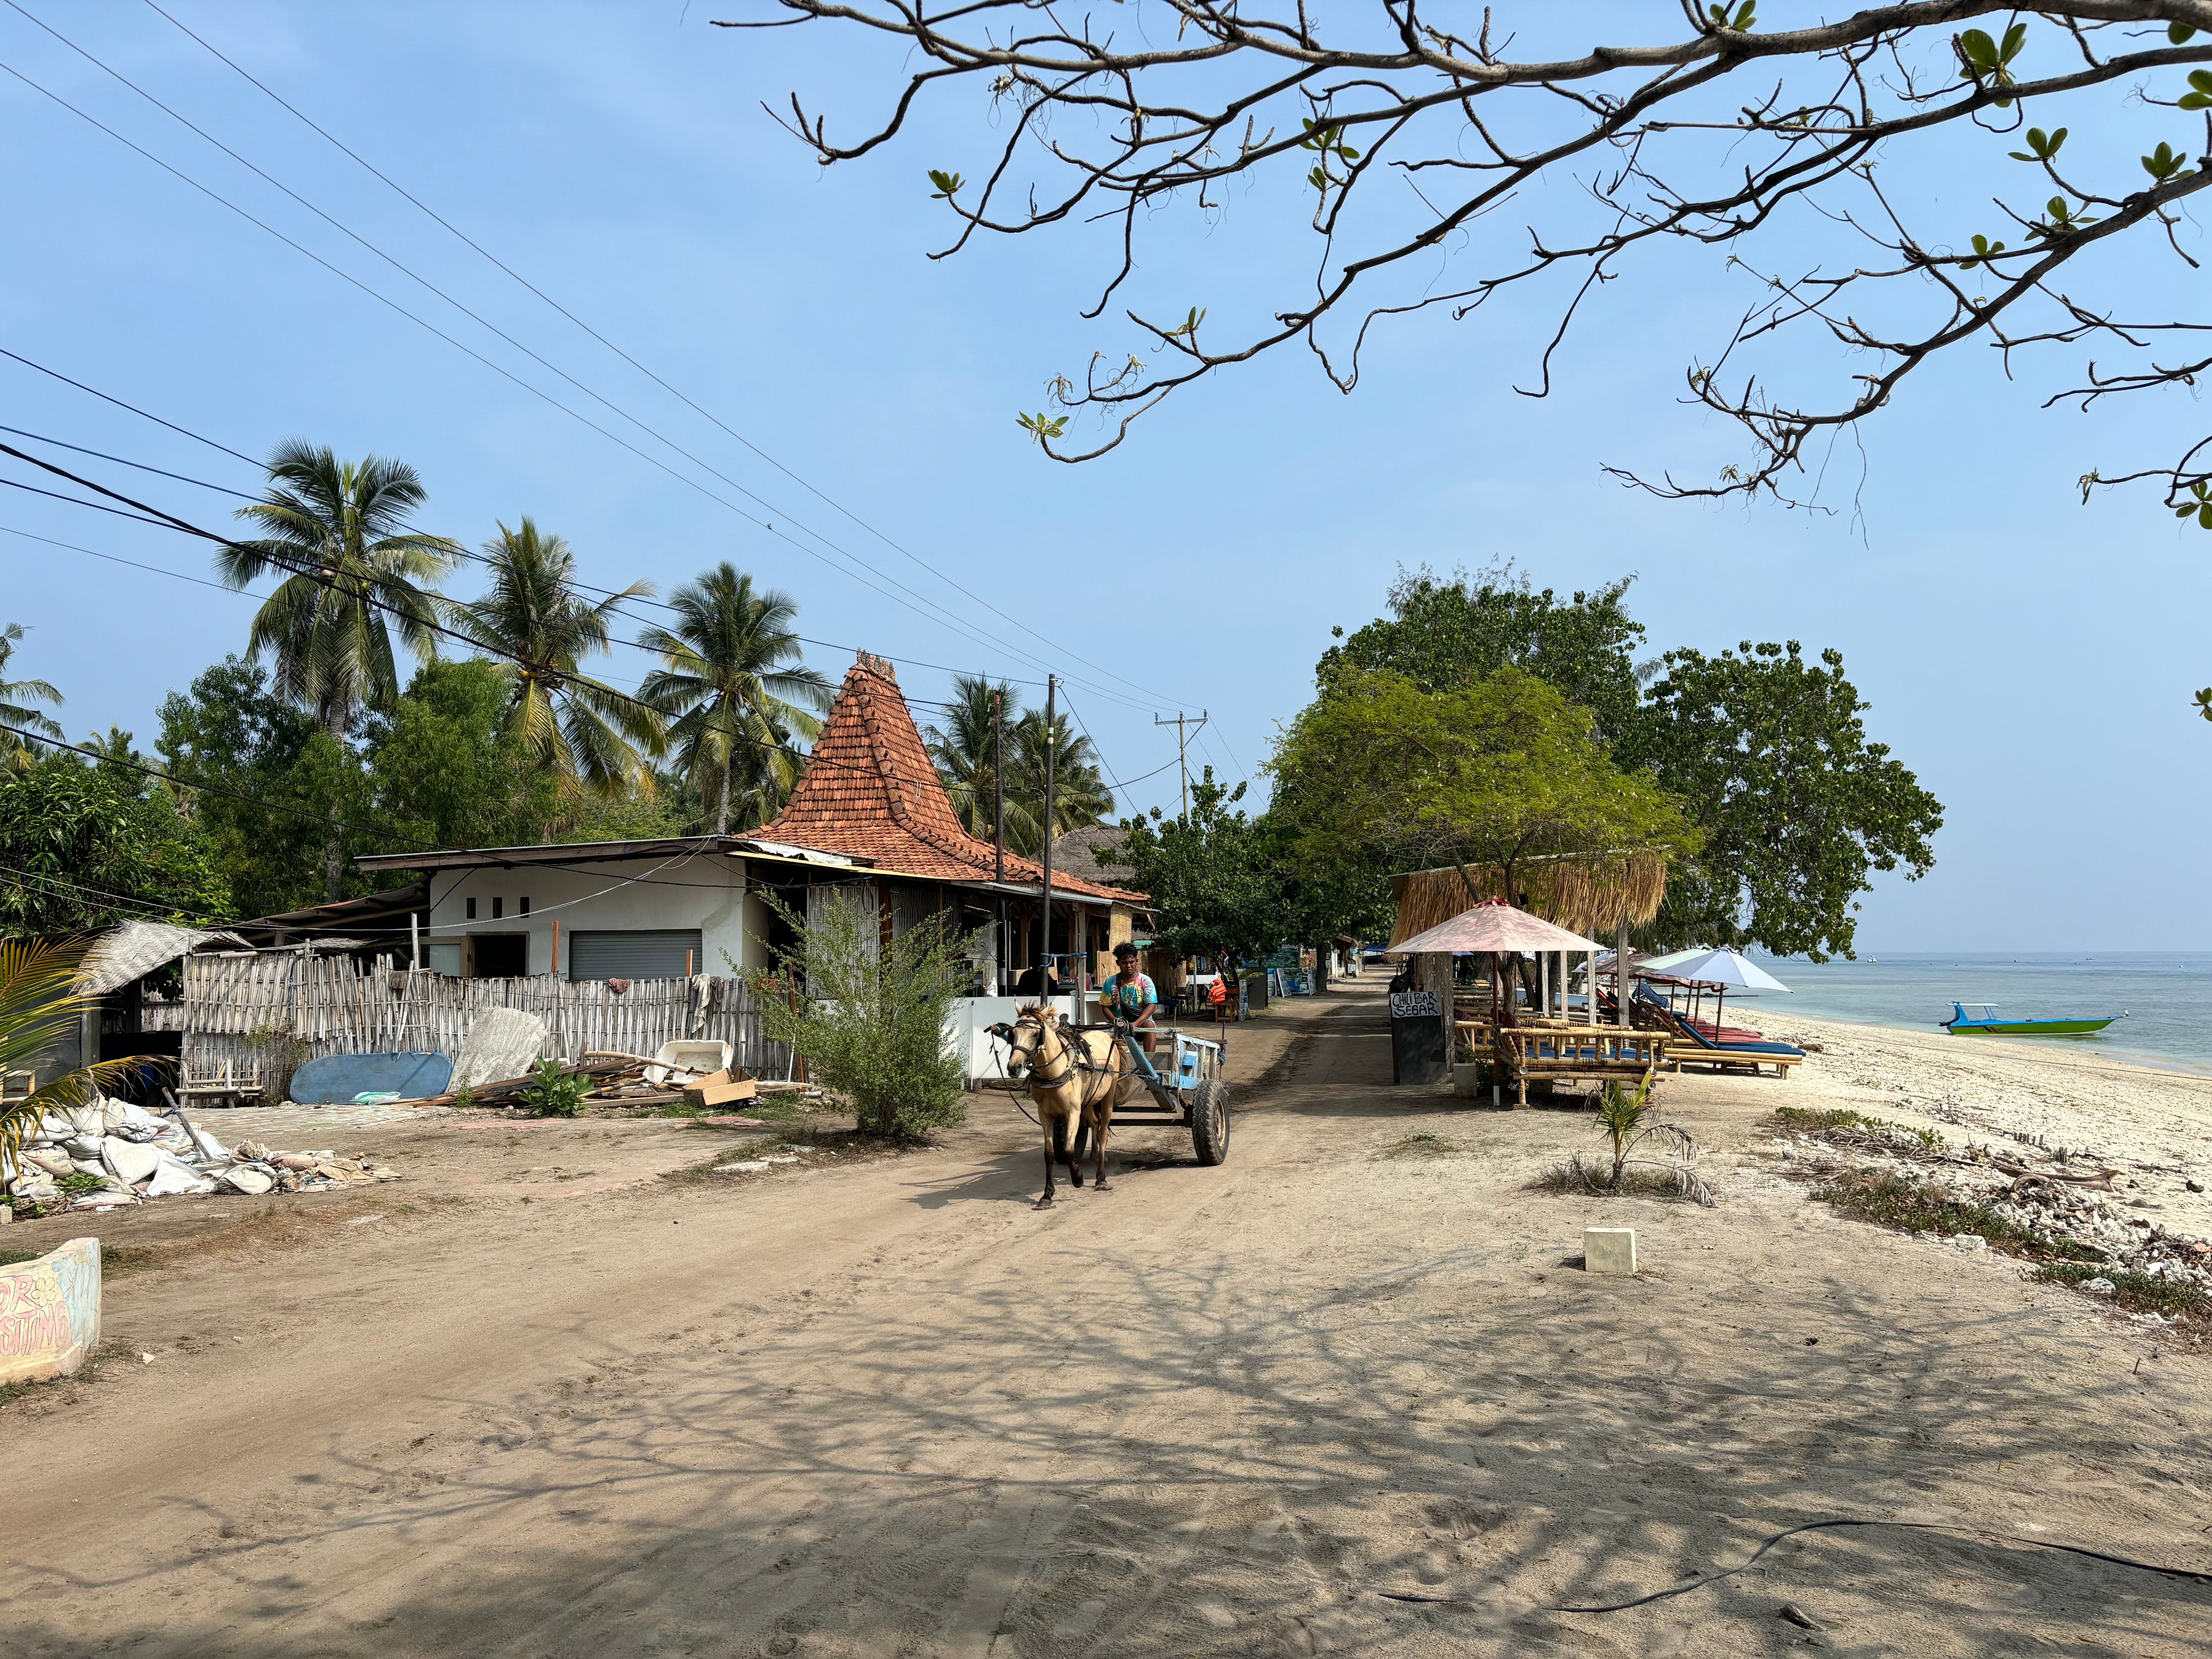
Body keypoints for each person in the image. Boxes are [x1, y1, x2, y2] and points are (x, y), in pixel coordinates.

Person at [1100, 943, 1158, 1053]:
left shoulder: (1146, 981)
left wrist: (1135, 1024)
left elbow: (1151, 1007)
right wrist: (1116, 1022)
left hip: (1141, 1022)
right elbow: (1105, 1007)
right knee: (1098, 1030)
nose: (1128, 966)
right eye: (1124, 963)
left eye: (1131, 962)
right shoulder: (1110, 982)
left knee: (1150, 1026)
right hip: (1118, 1022)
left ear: (1137, 961)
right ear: (1118, 963)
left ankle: (1149, 1062)